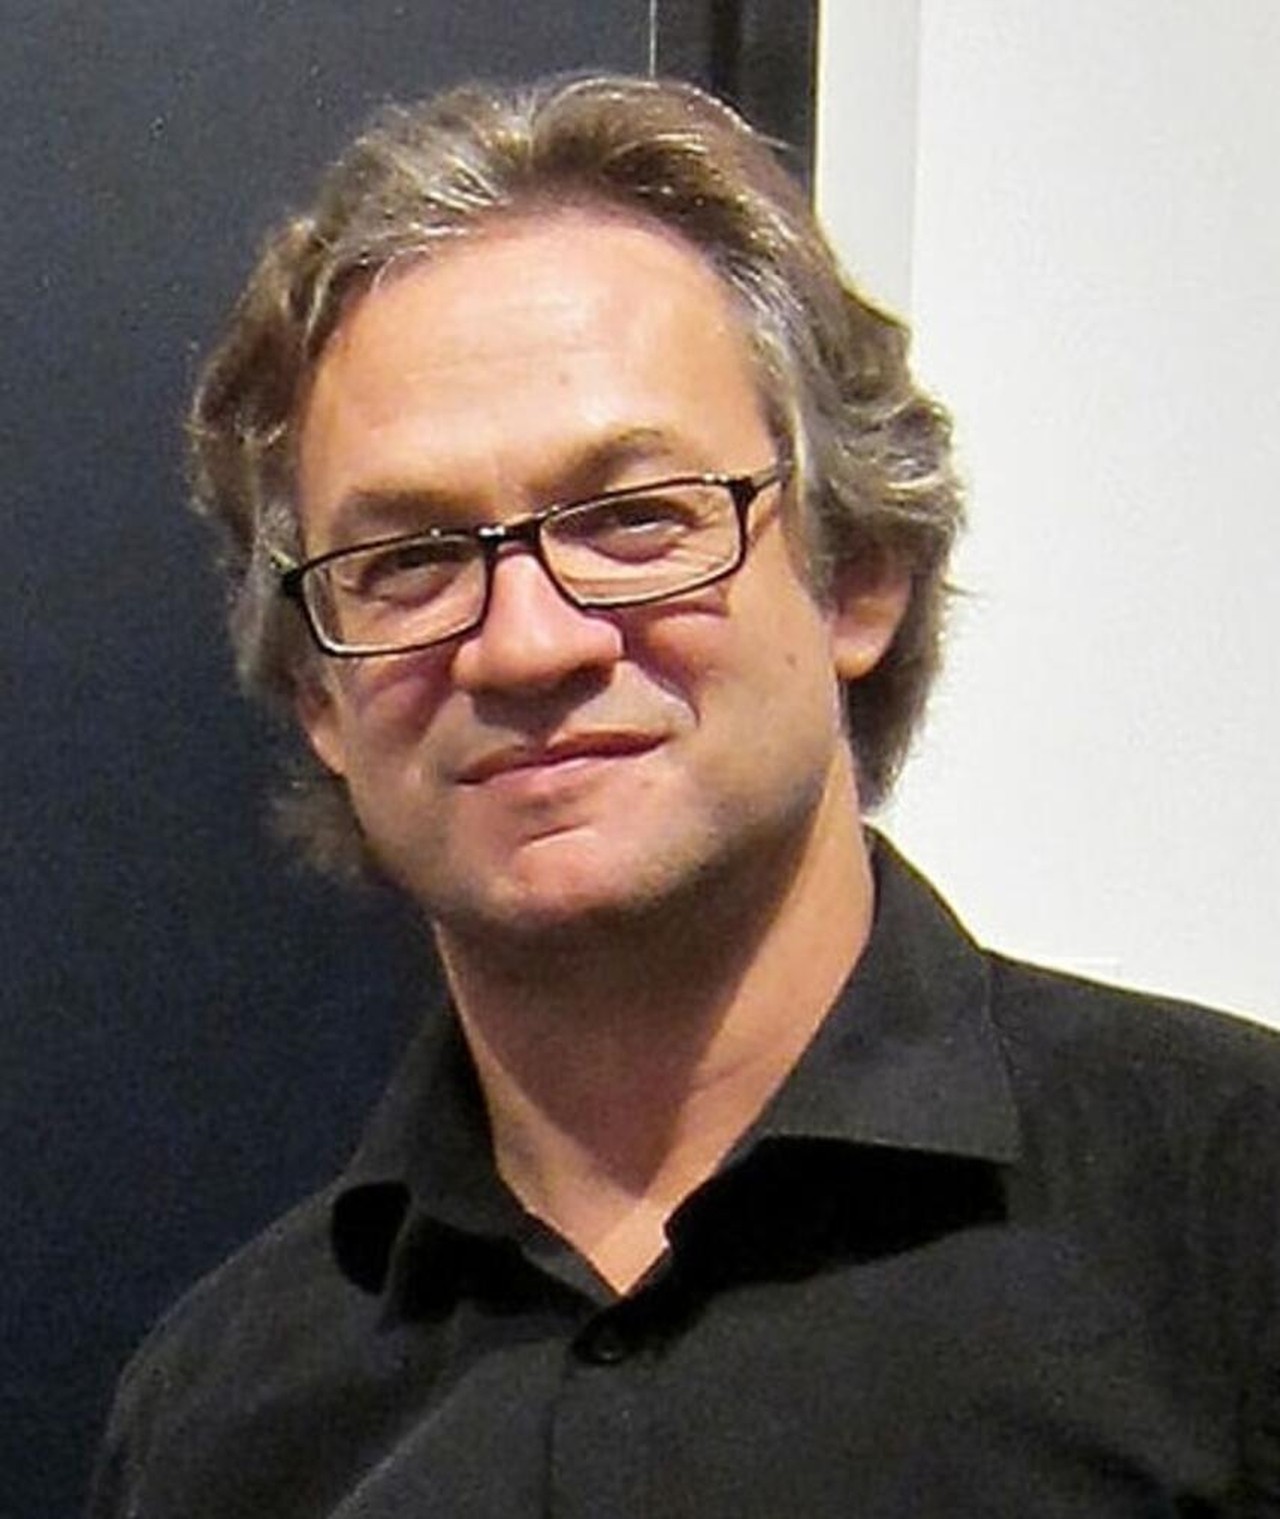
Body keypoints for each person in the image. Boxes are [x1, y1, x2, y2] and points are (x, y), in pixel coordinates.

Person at [89, 74, 1280, 1517]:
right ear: (316, 698)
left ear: (857, 574)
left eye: (634, 520)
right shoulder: (216, 1426)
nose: (527, 644)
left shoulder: (1232, 1230)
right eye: (407, 562)